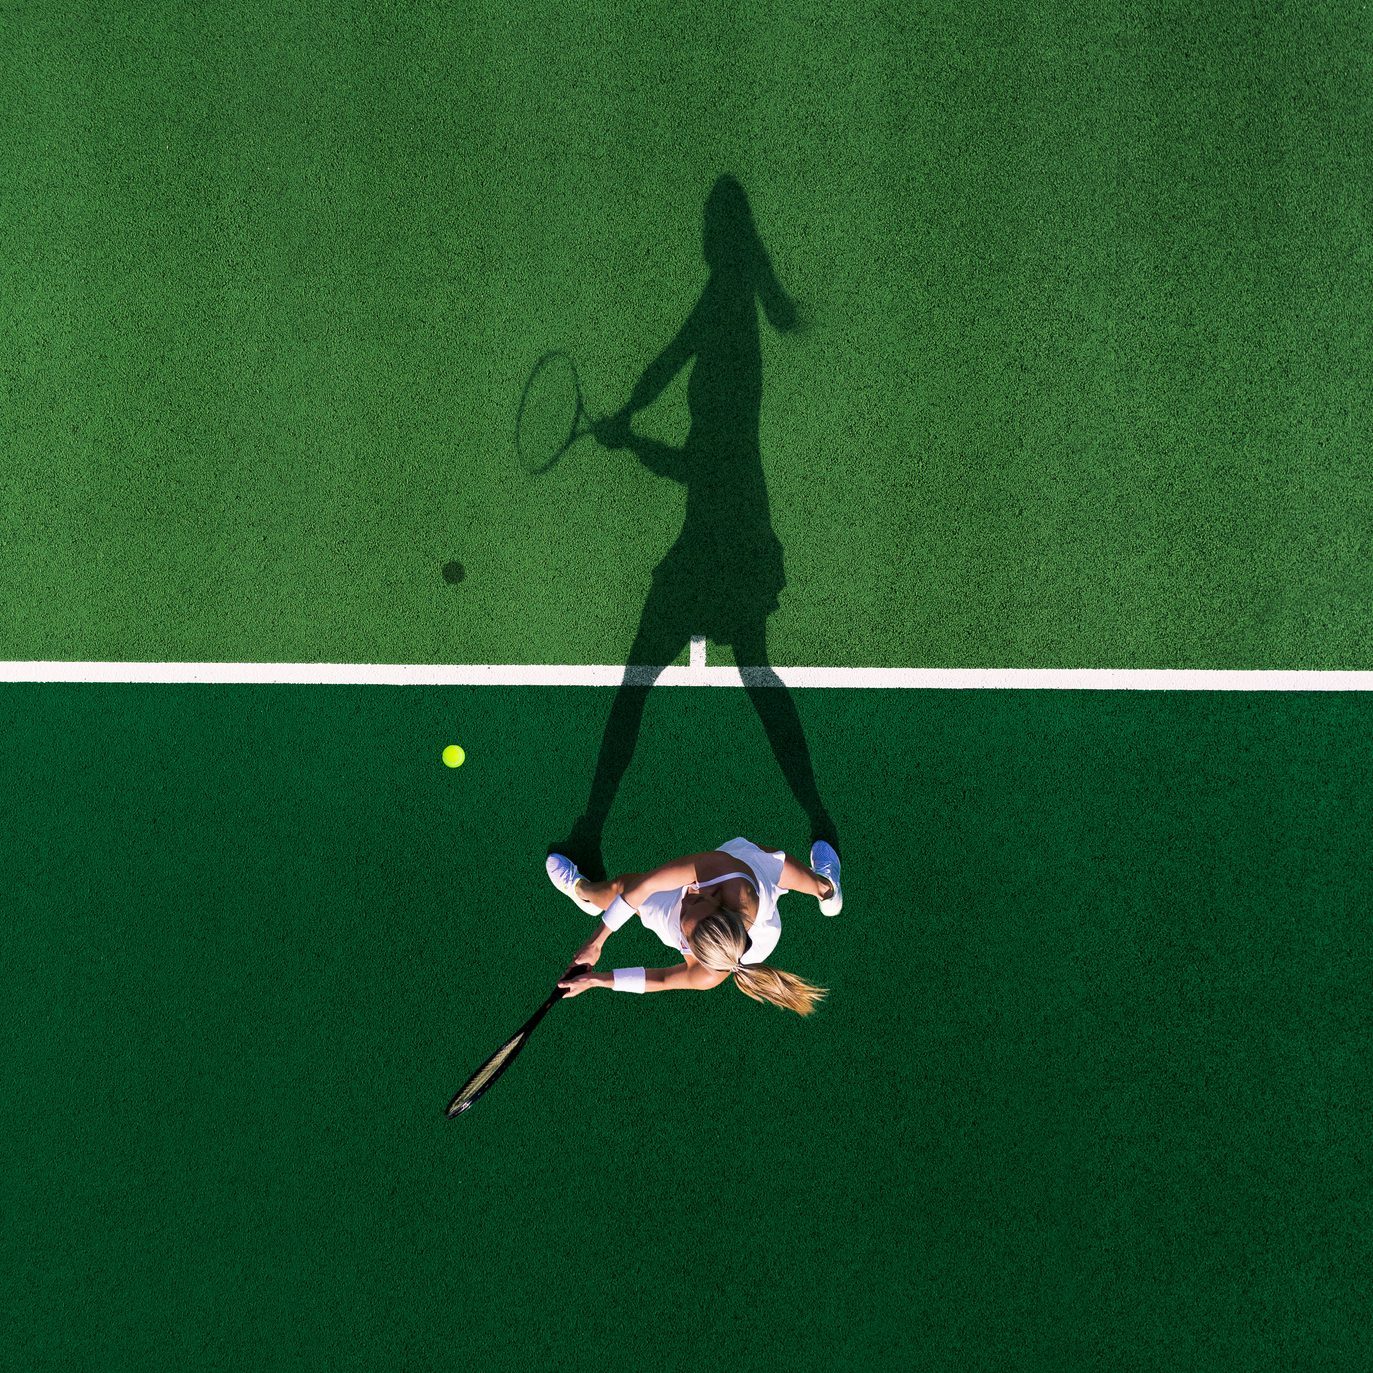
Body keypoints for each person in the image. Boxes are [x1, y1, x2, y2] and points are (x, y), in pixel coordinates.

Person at [546, 838, 842, 1015]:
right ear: (714, 903)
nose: (681, 904)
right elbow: (648, 885)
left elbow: (661, 979)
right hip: (742, 876)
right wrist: (597, 942)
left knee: (624, 886)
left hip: (740, 929)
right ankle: (584, 892)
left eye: (683, 937)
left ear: (695, 954)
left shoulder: (707, 973)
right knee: (628, 885)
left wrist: (598, 980)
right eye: (691, 909)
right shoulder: (727, 873)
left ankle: (582, 891)